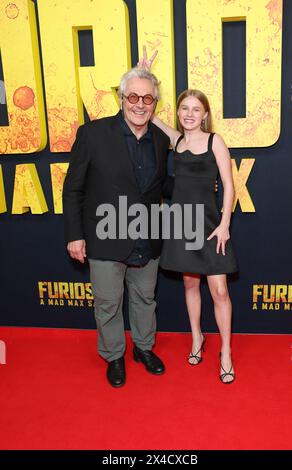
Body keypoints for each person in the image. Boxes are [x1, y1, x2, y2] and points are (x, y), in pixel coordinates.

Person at [62, 64, 173, 387]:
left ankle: (143, 348)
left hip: (147, 236)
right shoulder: (93, 134)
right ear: (121, 98)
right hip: (104, 236)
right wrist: (75, 235)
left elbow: (159, 184)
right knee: (108, 303)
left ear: (156, 103)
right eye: (134, 96)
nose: (140, 104)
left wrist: (200, 184)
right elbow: (73, 189)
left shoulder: (160, 138)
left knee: (145, 298)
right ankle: (113, 356)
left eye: (148, 98)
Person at [138, 49, 238, 384]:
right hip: (182, 225)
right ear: (178, 112)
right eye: (184, 108)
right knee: (190, 283)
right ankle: (197, 337)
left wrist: (224, 224)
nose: (189, 113)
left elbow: (228, 186)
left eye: (196, 109)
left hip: (211, 226)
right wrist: (144, 76)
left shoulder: (215, 141)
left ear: (205, 113)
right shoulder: (176, 140)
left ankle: (225, 350)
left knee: (220, 291)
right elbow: (146, 113)